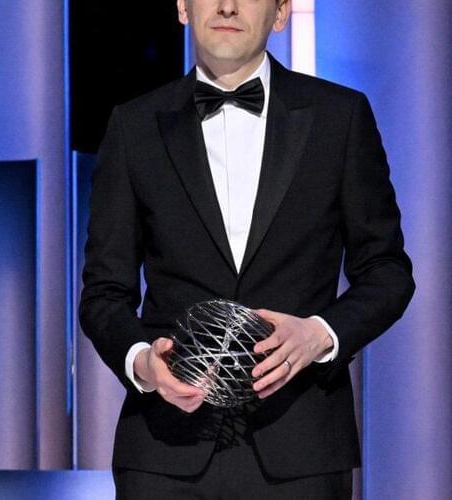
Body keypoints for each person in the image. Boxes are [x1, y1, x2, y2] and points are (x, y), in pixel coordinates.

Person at [79, 0, 413, 497]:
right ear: (182, 7)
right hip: (164, 452)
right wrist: (142, 362)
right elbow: (104, 292)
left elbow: (387, 272)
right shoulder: (134, 126)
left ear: (281, 12)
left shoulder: (339, 117)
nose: (228, 6)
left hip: (301, 448)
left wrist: (319, 335)